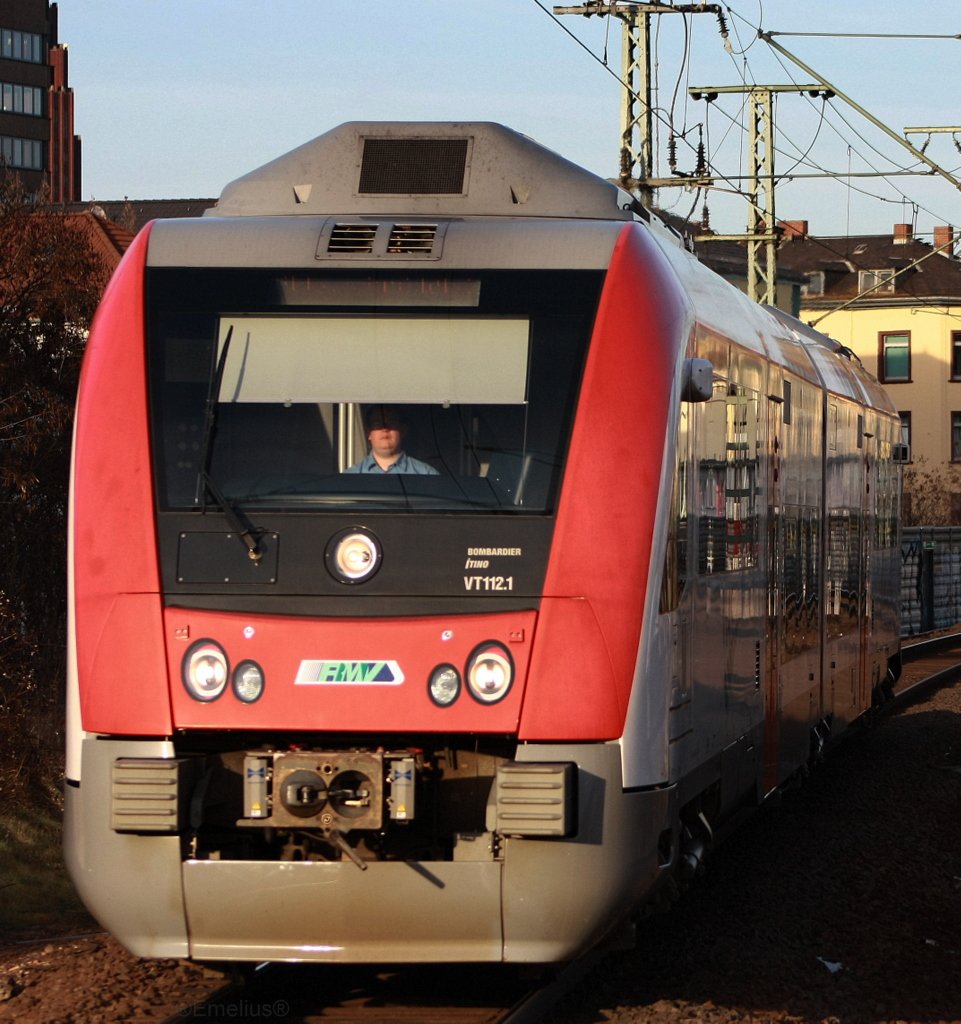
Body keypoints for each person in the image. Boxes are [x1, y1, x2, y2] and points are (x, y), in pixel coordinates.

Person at [343, 405, 439, 475]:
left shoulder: (426, 474)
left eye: (391, 422)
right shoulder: (350, 477)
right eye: (377, 423)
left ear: (403, 431)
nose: (385, 428)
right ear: (368, 433)